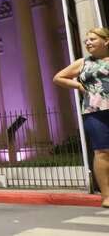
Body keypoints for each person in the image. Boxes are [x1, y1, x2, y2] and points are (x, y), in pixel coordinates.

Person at [54, 27, 109, 208]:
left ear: (106, 41)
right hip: (95, 111)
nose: (88, 42)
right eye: (87, 40)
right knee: (102, 152)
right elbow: (58, 77)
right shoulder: (83, 63)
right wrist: (78, 86)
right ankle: (107, 195)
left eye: (92, 39)